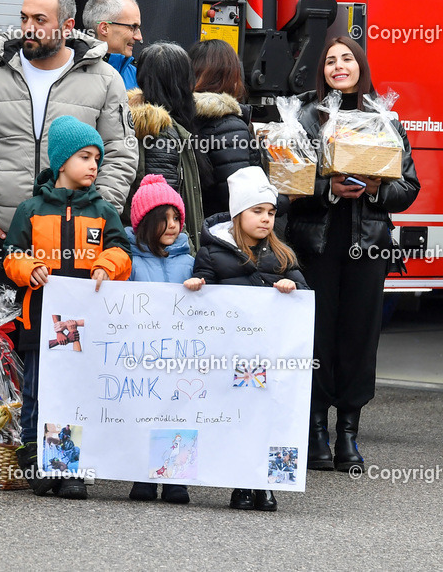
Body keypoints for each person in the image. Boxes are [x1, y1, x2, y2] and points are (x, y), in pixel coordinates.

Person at [0, 0, 136, 286]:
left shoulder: (105, 79)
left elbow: (120, 153)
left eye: (39, 20)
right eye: (24, 18)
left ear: (67, 26)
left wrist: (100, 214)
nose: (28, 28)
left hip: (76, 245)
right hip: (1, 239)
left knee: (64, 335)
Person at [288, 37, 419, 473]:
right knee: (318, 337)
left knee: (360, 338)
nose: (338, 66)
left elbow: (409, 188)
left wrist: (378, 188)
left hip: (369, 245)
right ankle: (316, 434)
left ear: (360, 66)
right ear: (321, 70)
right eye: (330, 60)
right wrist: (328, 189)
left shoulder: (385, 120)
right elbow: (287, 184)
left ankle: (348, 433)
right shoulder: (305, 116)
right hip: (317, 245)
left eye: (347, 59)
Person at [3, 115, 132, 500]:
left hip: (85, 325)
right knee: (39, 394)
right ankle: (36, 465)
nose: (94, 165)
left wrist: (105, 266)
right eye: (86, 157)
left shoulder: (104, 211)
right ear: (62, 163)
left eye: (98, 159)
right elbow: (11, 257)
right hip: (39, 320)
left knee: (75, 394)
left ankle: (67, 467)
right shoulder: (30, 209)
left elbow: (121, 252)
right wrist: (30, 268)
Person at [185, 166, 310, 512]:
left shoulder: (283, 255)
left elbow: (305, 296)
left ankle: (267, 484)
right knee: (240, 418)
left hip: (272, 357)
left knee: (272, 417)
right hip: (233, 356)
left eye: (271, 212)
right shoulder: (212, 252)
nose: (267, 219)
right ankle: (241, 483)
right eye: (257, 211)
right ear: (239, 214)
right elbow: (202, 297)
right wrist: (199, 286)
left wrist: (292, 288)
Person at [124, 174, 194, 504]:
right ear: (143, 222)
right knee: (143, 413)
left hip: (179, 357)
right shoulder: (129, 262)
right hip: (141, 356)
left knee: (178, 414)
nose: (171, 225)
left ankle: (176, 478)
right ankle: (142, 477)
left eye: (176, 217)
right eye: (162, 218)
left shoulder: (191, 263)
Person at [128, 42, 207, 250]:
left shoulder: (148, 125)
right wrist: (188, 253)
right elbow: (165, 213)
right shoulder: (162, 136)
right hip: (169, 253)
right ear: (179, 84)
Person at [188, 39, 262, 218]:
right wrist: (285, 198)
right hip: (222, 233)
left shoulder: (182, 115)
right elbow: (243, 201)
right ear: (230, 76)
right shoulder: (229, 126)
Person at [82, 0, 142, 90]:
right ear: (104, 28)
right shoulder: (70, 74)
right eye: (133, 27)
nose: (139, 37)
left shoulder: (140, 78)